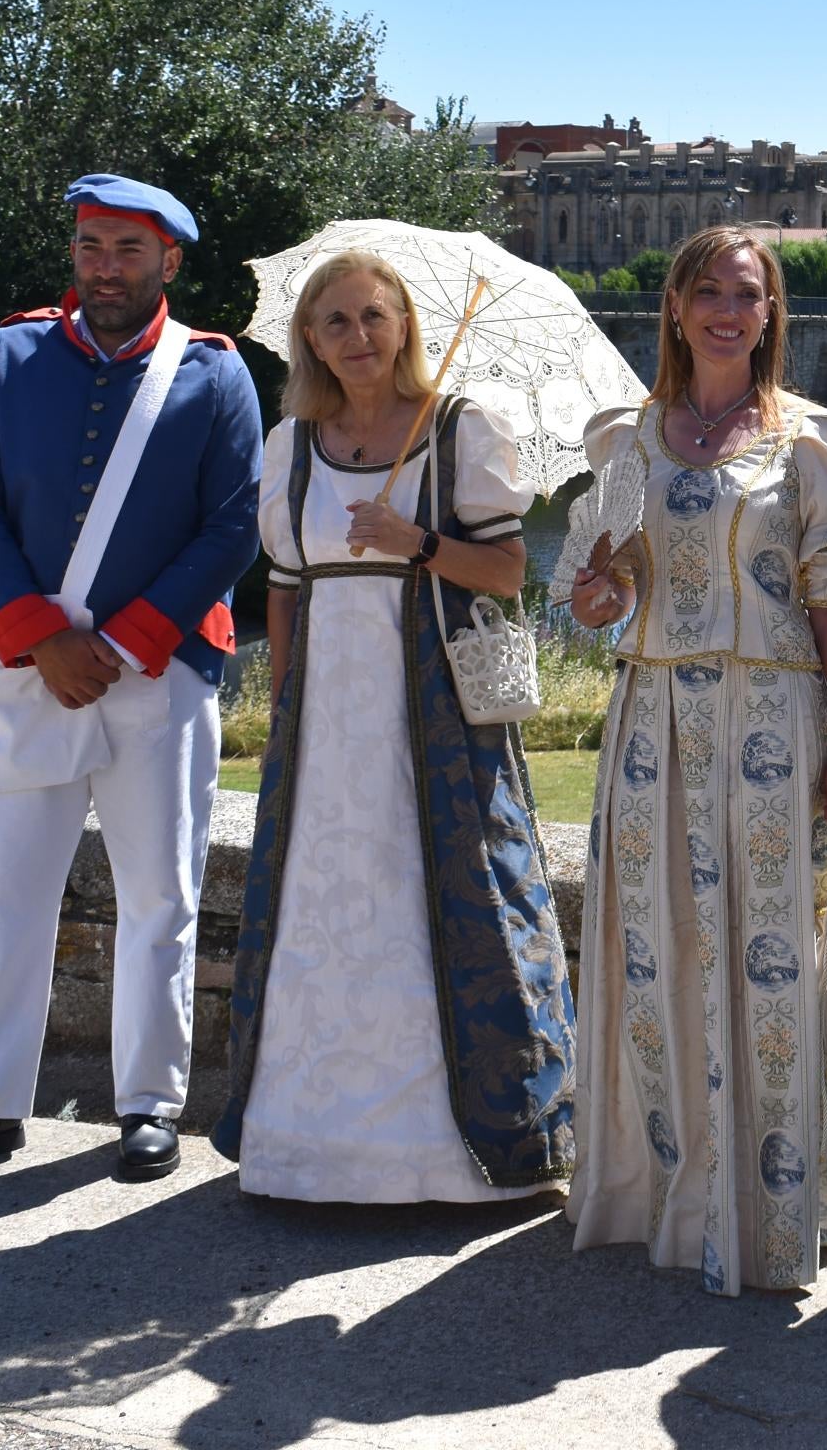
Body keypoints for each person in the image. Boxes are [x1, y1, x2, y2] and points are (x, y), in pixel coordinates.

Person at [0, 174, 262, 1185]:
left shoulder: (216, 374)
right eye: (92, 245)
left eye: (127, 250)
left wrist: (133, 637)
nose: (105, 265)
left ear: (168, 262)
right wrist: (41, 633)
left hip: (163, 673)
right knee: (10, 893)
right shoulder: (11, 353)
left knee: (161, 897)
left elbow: (233, 523)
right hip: (27, 669)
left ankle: (148, 1102)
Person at [562, 224, 827, 1296]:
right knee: (661, 949)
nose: (725, 309)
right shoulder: (626, 444)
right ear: (675, 303)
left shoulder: (809, 445)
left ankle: (778, 1210)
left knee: (772, 953)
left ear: (769, 313)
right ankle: (675, 1193)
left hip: (774, 727)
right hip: (651, 721)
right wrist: (599, 592)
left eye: (745, 293)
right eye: (707, 288)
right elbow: (600, 592)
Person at [210, 250, 577, 1200]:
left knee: (448, 891)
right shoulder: (292, 445)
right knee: (324, 903)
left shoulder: (460, 432)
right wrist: (285, 710)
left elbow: (506, 574)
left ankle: (458, 1159)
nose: (357, 338)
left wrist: (415, 541)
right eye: (334, 323)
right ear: (310, 340)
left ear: (404, 324)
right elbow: (283, 595)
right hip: (329, 724)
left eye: (373, 317)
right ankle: (308, 1147)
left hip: (438, 715)